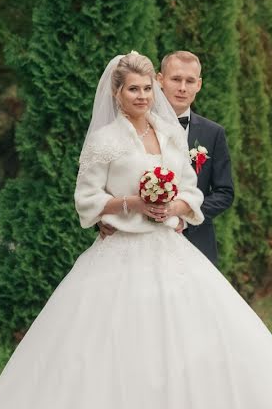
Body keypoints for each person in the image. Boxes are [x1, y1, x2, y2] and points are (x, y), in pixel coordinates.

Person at [0, 52, 272, 409]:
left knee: (193, 348)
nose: (141, 95)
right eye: (133, 89)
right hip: (119, 253)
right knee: (112, 353)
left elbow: (193, 191)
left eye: (145, 89)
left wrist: (174, 206)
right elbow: (86, 201)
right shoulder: (104, 141)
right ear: (117, 94)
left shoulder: (170, 132)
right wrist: (131, 204)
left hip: (170, 251)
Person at [99, 51, 234, 266]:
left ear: (198, 84)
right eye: (176, 79)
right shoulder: (132, 125)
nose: (182, 87)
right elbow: (106, 179)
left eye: (190, 81)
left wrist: (183, 215)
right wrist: (104, 218)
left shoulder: (213, 133)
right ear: (160, 80)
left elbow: (224, 192)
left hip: (196, 244)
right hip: (136, 245)